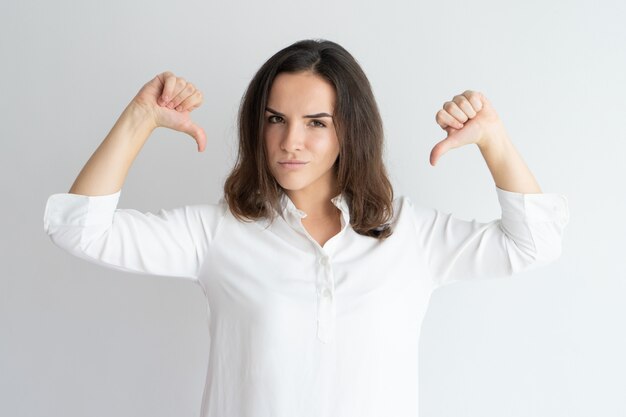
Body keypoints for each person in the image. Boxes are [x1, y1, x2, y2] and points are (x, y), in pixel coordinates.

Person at [43, 39, 569, 417]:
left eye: (316, 122)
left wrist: (493, 140)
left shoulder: (412, 234)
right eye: (276, 119)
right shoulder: (218, 234)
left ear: (350, 130)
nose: (291, 141)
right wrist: (139, 118)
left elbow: (535, 243)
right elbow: (78, 228)